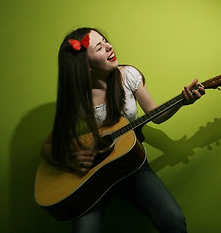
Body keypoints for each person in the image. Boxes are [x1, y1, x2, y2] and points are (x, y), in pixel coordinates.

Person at [41, 27, 205, 233]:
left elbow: (156, 114)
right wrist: (71, 159)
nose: (109, 46)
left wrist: (182, 102)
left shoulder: (128, 76)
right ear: (86, 66)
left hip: (132, 167)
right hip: (93, 177)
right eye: (100, 47)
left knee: (173, 221)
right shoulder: (77, 98)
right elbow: (47, 148)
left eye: (105, 41)